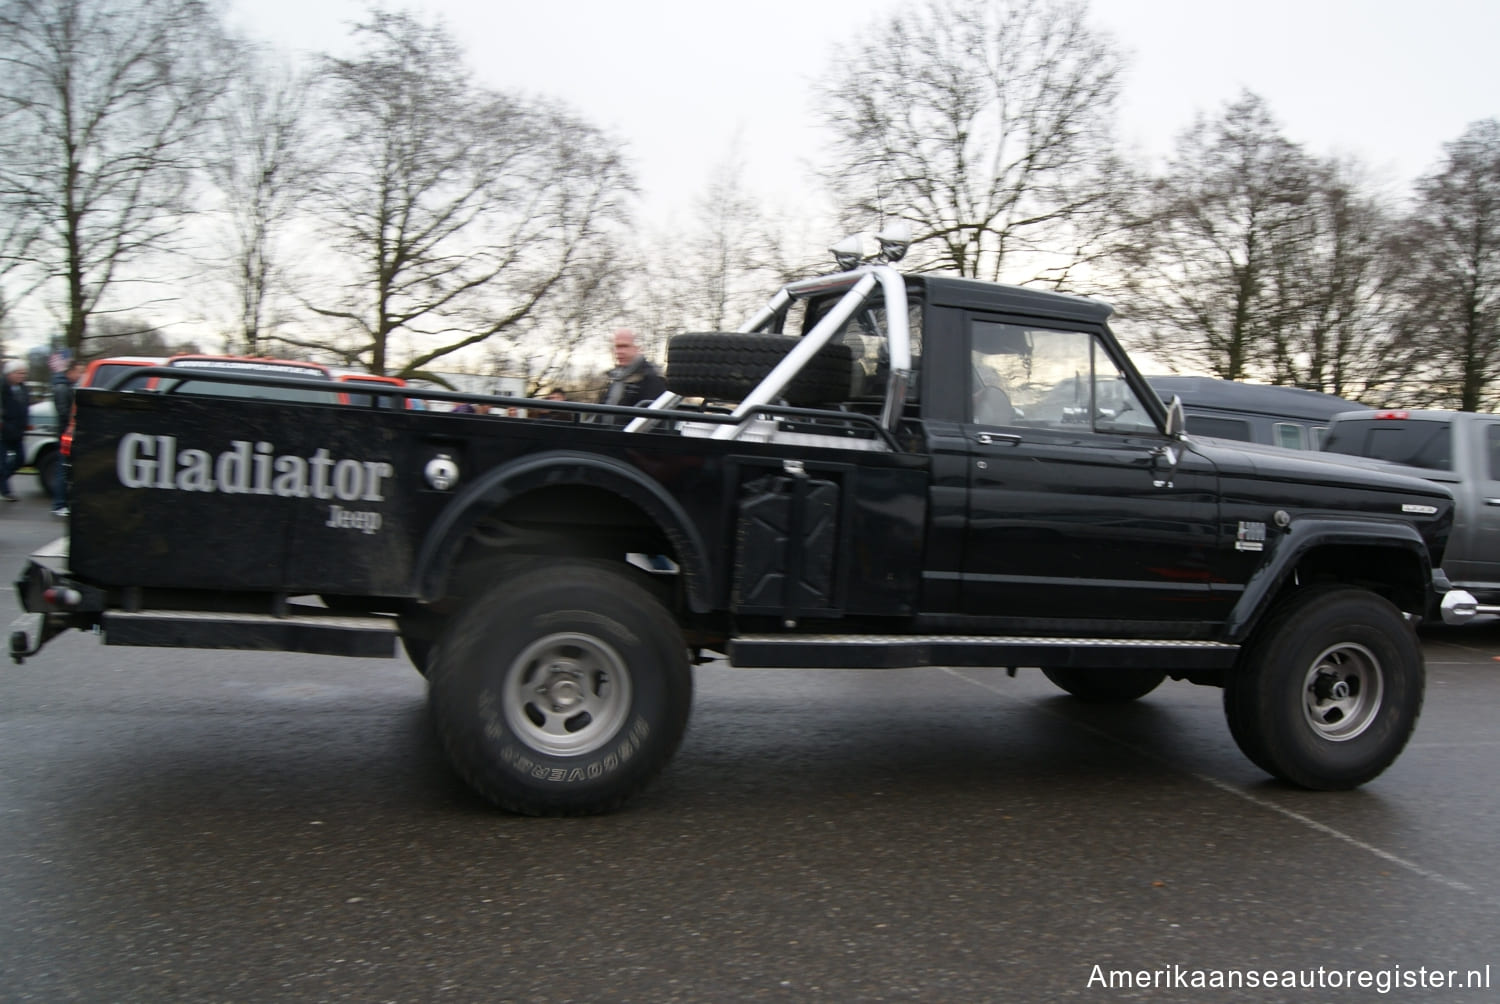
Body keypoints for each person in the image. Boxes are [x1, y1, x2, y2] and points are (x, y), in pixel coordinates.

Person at [597, 329, 666, 424]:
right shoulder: (616, 378)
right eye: (617, 347)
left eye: (624, 346)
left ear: (638, 348)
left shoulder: (652, 379)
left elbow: (650, 424)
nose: (619, 351)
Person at [49, 357, 83, 515]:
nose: (80, 375)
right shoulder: (63, 388)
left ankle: (60, 502)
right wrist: (73, 422)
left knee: (64, 468)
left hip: (66, 432)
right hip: (66, 434)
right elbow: (64, 412)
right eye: (78, 371)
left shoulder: (65, 386)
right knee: (63, 469)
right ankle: (59, 504)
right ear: (70, 371)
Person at [1, 359, 31, 502]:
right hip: (3, 431)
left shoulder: (23, 388)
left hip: (17, 431)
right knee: (1, 462)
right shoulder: (2, 387)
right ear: (10, 373)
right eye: (19, 373)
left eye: (24, 373)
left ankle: (2, 483)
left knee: (20, 459)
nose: (22, 376)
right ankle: (5, 491)